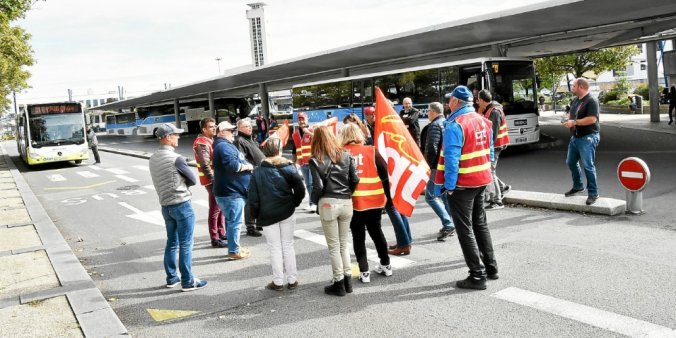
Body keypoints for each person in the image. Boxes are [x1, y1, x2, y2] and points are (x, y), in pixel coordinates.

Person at [441, 86, 498, 290]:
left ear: (456, 102)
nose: (448, 104)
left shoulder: (455, 124)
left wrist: (449, 186)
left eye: (450, 101)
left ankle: (477, 275)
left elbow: (451, 159)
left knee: (465, 229)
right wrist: (489, 168)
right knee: (480, 223)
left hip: (464, 183)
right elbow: (490, 150)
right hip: (482, 179)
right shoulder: (484, 120)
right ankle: (491, 267)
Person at [149, 123, 207, 292]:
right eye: (175, 134)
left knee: (172, 243)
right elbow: (193, 180)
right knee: (186, 244)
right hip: (182, 204)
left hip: (165, 205)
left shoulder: (153, 158)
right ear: (167, 137)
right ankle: (188, 281)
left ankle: (172, 278)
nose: (178, 137)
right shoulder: (177, 159)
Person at [248, 137, 306, 291]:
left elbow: (252, 199)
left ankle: (278, 281)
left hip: (267, 215)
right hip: (287, 211)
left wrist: (255, 217)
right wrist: (294, 203)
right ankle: (292, 280)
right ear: (280, 150)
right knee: (288, 245)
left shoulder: (257, 172)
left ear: (265, 152)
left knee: (275, 248)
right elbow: (300, 190)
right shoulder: (289, 167)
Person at [309, 126, 359, 296]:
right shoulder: (346, 154)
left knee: (333, 247)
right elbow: (355, 179)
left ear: (316, 140)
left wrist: (316, 201)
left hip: (328, 203)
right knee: (344, 244)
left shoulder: (315, 159)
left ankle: (338, 283)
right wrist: (347, 193)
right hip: (346, 202)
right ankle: (348, 280)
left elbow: (318, 187)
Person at [340, 123, 392, 283]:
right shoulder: (371, 150)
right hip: (375, 200)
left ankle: (364, 272)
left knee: (358, 236)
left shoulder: (341, 153)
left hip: (353, 201)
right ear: (358, 134)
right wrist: (388, 198)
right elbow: (385, 175)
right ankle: (386, 265)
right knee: (377, 232)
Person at [213, 121, 254, 260]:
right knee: (235, 222)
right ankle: (234, 251)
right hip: (231, 192)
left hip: (230, 191)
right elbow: (232, 166)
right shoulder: (223, 146)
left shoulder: (223, 145)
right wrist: (247, 167)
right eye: (230, 131)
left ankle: (234, 248)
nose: (233, 133)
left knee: (231, 221)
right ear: (222, 132)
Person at [562, 77, 601, 206]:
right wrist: (567, 120)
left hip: (588, 137)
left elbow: (592, 119)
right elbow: (572, 115)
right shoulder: (575, 100)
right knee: (571, 162)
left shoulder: (591, 100)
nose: (572, 88)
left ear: (581, 87)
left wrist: (574, 122)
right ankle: (578, 186)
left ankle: (593, 193)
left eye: (574, 86)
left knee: (588, 166)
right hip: (575, 137)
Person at [423, 102, 456, 241]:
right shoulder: (447, 122)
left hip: (436, 166)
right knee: (444, 195)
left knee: (430, 196)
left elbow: (432, 148)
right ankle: (453, 224)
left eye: (428, 110)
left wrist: (428, 166)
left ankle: (448, 224)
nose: (427, 113)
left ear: (434, 112)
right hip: (445, 165)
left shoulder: (435, 125)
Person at [193, 118, 227, 248]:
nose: (214, 128)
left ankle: (221, 232)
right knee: (215, 209)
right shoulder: (201, 143)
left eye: (214, 126)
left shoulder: (209, 140)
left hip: (216, 179)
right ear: (204, 129)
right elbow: (205, 164)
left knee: (220, 208)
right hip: (212, 180)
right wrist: (214, 180)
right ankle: (215, 238)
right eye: (211, 127)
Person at [477, 90, 511, 210]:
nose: (477, 102)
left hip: (495, 146)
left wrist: (486, 147)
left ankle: (497, 201)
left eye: (478, 99)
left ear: (482, 100)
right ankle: (503, 187)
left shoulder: (494, 112)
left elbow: (493, 134)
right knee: (491, 170)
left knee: (490, 171)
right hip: (496, 145)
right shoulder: (491, 109)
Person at [233, 118, 264, 237]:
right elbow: (241, 159)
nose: (249, 128)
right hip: (249, 174)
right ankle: (250, 226)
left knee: (259, 199)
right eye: (246, 126)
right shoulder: (239, 141)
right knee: (250, 200)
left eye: (250, 126)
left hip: (259, 173)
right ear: (239, 128)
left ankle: (258, 222)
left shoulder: (250, 139)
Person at [291, 112, 316, 212]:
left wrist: (308, 132)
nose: (301, 121)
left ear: (307, 119)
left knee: (312, 183)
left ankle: (314, 203)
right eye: (299, 119)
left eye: (303, 119)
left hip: (312, 161)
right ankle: (311, 203)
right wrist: (293, 162)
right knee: (308, 184)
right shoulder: (295, 134)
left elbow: (319, 140)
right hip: (302, 162)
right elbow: (294, 149)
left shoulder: (312, 130)